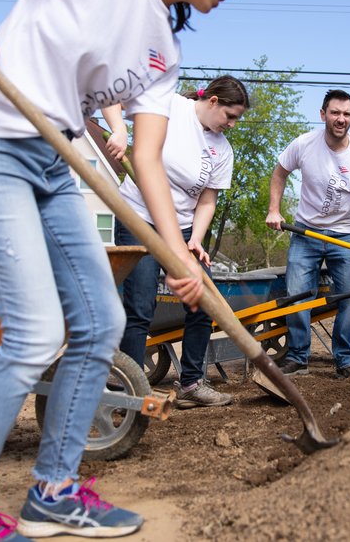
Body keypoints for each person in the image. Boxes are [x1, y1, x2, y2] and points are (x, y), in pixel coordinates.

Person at [0, 0, 258, 541]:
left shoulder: (164, 50)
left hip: (54, 161)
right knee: (34, 332)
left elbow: (149, 161)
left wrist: (179, 254)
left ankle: (52, 491)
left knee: (101, 321)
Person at [106, 75, 249, 408]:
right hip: (138, 218)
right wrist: (119, 129)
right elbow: (114, 96)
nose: (232, 124)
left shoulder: (222, 150)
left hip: (183, 230)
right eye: (230, 116)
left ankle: (192, 384)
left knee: (203, 301)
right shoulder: (170, 105)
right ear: (213, 101)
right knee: (140, 305)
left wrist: (195, 239)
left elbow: (207, 200)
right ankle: (128, 388)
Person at [266, 90, 350, 379]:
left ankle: (346, 358)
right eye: (335, 113)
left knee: (349, 299)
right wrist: (274, 209)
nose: (340, 119)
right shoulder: (305, 144)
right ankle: (297, 356)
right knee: (297, 295)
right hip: (305, 232)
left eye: (346, 114)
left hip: (345, 236)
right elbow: (279, 172)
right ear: (323, 115)